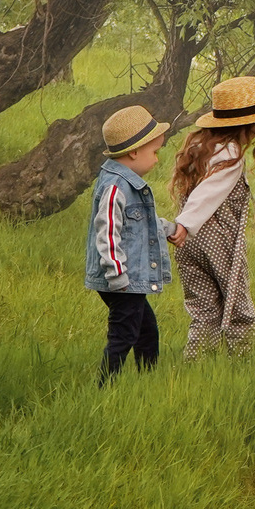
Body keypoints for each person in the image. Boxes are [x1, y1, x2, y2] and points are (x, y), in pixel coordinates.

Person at [169, 74, 255, 357]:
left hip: (190, 245)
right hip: (217, 243)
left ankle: (196, 364)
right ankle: (241, 361)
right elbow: (208, 192)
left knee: (204, 308)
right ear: (254, 124)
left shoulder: (201, 147)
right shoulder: (230, 154)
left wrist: (184, 227)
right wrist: (186, 224)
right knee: (237, 305)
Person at [84, 104, 175, 383]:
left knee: (145, 329)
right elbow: (108, 231)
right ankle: (105, 385)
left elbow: (141, 223)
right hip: (121, 278)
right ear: (134, 152)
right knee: (124, 333)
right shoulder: (115, 187)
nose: (157, 160)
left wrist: (170, 229)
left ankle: (147, 380)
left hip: (126, 278)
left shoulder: (126, 184)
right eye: (154, 152)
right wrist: (116, 272)